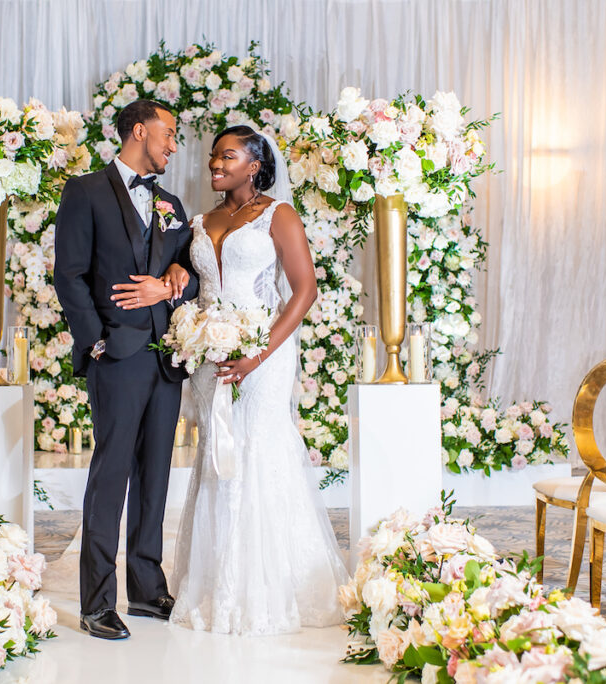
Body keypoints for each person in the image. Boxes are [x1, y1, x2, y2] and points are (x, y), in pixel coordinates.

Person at [170, 125, 349, 635]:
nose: (215, 164)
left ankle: (267, 585)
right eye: (212, 157)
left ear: (254, 164)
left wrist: (257, 355)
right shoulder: (200, 222)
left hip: (263, 349)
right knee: (217, 450)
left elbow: (304, 290)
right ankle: (216, 581)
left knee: (255, 447)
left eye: (227, 156)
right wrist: (184, 292)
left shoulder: (278, 215)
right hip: (211, 351)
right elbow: (192, 281)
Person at [53, 99, 197, 640]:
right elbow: (69, 276)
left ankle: (146, 586)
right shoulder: (85, 192)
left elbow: (191, 274)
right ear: (140, 131)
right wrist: (95, 344)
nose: (173, 145)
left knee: (156, 474)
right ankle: (96, 602)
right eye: (169, 134)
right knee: (111, 474)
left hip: (166, 359)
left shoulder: (171, 203)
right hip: (115, 355)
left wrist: (179, 270)